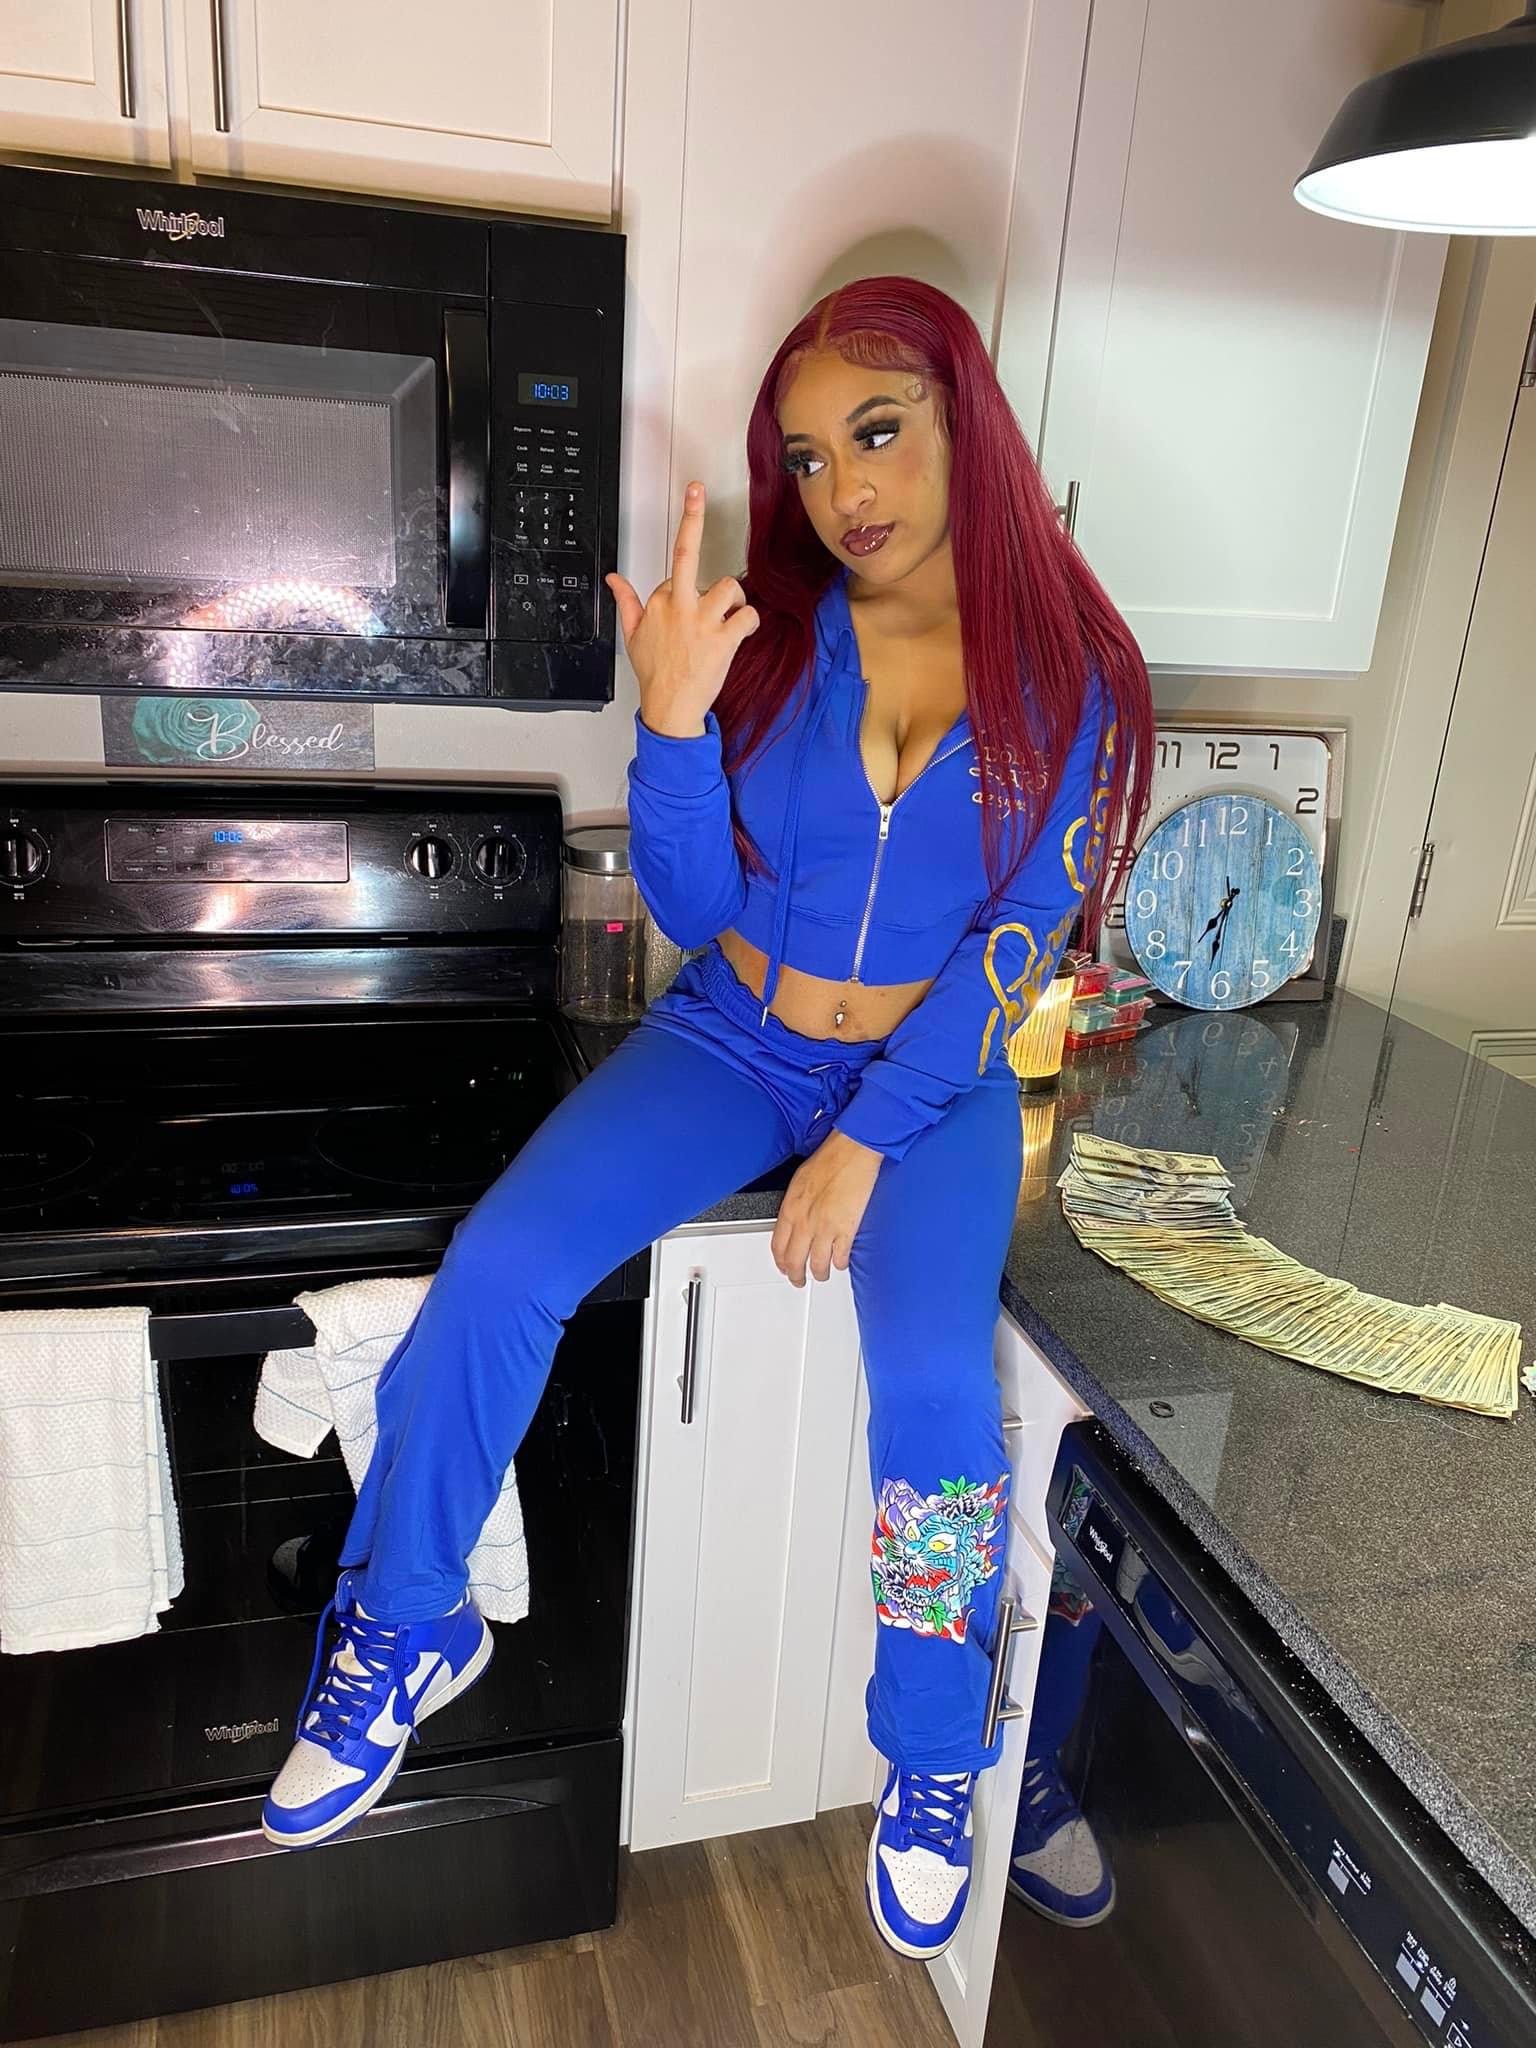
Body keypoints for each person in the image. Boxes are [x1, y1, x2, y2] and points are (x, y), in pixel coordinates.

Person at [260, 276, 1153, 1962]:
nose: (843, 490)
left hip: (936, 1086)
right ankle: (408, 1620)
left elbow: (1020, 940)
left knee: (936, 1401)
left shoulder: (1073, 678)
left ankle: (932, 1751)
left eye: (877, 433)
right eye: (809, 458)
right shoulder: (774, 637)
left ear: (968, 419)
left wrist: (867, 1140)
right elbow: (688, 899)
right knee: (503, 1263)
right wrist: (670, 719)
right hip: (735, 1037)